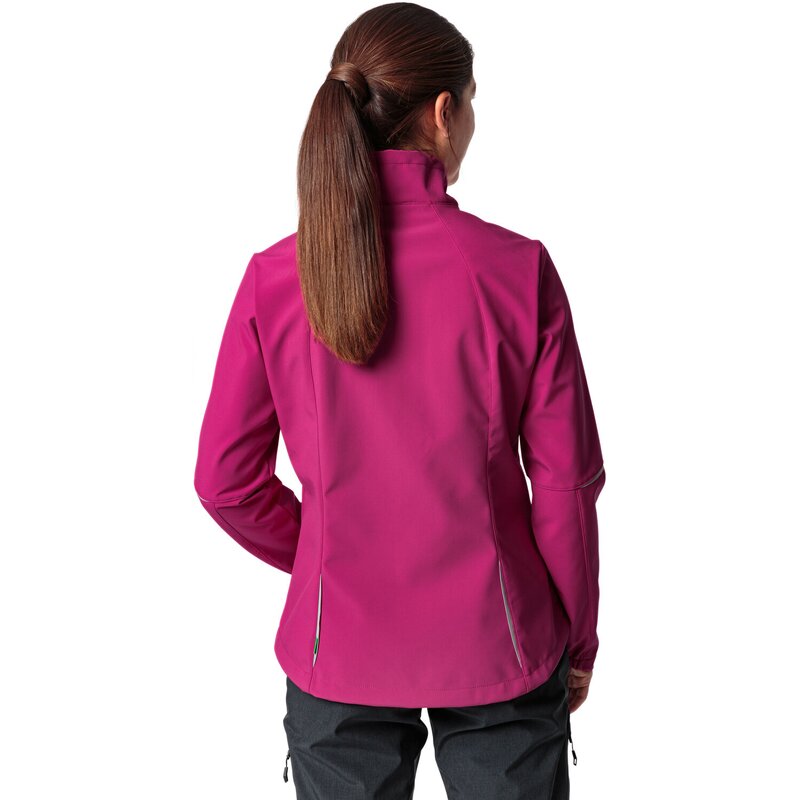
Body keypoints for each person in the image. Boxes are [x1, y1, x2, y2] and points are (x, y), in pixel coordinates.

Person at [193, 2, 607, 797]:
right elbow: (565, 483)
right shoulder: (517, 270)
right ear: (444, 112)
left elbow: (225, 483)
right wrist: (576, 638)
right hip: (501, 640)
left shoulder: (273, 278)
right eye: (473, 102)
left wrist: (325, 554)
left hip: (337, 643)